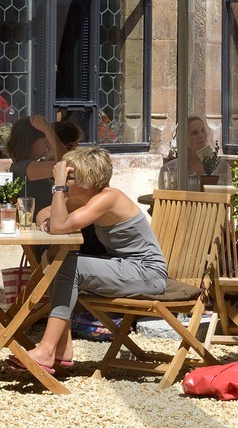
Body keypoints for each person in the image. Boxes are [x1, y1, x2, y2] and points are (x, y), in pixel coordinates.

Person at [14, 145, 168, 373]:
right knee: (58, 259)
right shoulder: (88, 197)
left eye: (70, 176)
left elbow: (57, 225)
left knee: (69, 264)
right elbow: (44, 213)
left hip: (147, 273)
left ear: (88, 180)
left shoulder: (108, 198)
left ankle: (46, 349)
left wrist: (58, 188)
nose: (64, 179)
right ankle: (62, 349)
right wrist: (50, 218)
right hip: (125, 268)